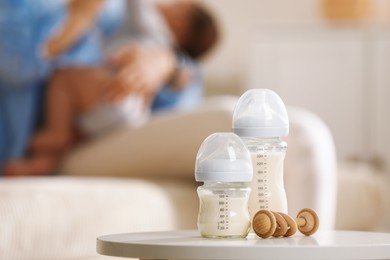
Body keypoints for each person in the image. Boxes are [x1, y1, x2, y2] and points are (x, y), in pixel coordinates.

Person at [2, 0, 219, 176]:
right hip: (116, 112)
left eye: (177, 7)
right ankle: (47, 157)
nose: (166, 6)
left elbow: (190, 90)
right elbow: (14, 64)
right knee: (70, 117)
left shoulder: (142, 27)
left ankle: (56, 136)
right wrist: (78, 18)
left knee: (66, 82)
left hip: (114, 99)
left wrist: (168, 65)